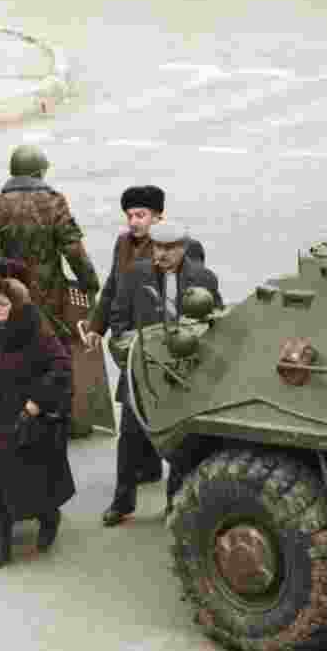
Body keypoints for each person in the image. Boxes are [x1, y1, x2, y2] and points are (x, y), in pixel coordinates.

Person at [104, 221, 222, 526]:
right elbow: (117, 322)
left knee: (181, 443)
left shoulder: (204, 278)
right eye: (158, 247)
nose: (163, 254)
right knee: (130, 438)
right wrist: (128, 357)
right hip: (141, 372)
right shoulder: (134, 275)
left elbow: (215, 324)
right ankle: (122, 502)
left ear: (183, 248)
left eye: (170, 248)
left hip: (183, 376)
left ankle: (174, 505)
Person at [0, 276, 76, 570]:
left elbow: (61, 366)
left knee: (29, 480)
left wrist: (36, 402)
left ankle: (48, 517)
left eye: (3, 303)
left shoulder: (35, 331)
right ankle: (2, 542)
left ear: (17, 306)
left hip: (23, 416)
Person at [82, 185, 167, 484]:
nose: (134, 221)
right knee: (139, 402)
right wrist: (96, 327)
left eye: (141, 215)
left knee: (137, 405)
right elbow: (111, 286)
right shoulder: (123, 244)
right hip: (123, 338)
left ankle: (132, 478)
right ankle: (149, 466)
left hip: (149, 340)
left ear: (158, 217)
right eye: (130, 215)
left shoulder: (168, 248)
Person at [0, 144, 99, 341]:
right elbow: (73, 250)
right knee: (52, 351)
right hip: (49, 297)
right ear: (39, 172)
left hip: (9, 295)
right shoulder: (53, 202)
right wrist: (89, 282)